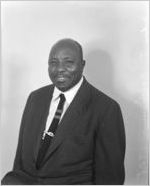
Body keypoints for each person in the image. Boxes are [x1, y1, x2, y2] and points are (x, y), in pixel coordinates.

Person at [1, 38, 126, 185]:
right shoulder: (35, 98)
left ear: (82, 65)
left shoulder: (106, 109)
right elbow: (20, 160)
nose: (60, 68)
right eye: (53, 63)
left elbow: (110, 178)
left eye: (68, 62)